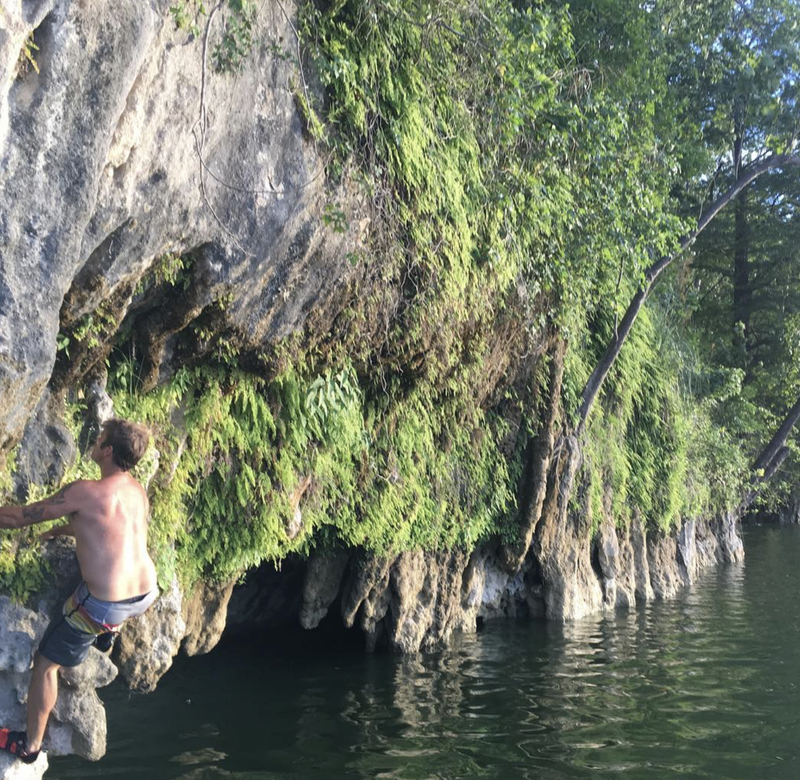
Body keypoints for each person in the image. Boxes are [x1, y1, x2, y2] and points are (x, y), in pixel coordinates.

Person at [0, 418, 159, 764]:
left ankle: (29, 745)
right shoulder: (137, 491)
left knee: (44, 664)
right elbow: (107, 534)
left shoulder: (84, 492)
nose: (95, 437)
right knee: (109, 597)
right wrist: (62, 531)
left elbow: (18, 518)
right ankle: (109, 634)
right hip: (146, 594)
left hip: (102, 606)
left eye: (100, 436)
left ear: (107, 450)